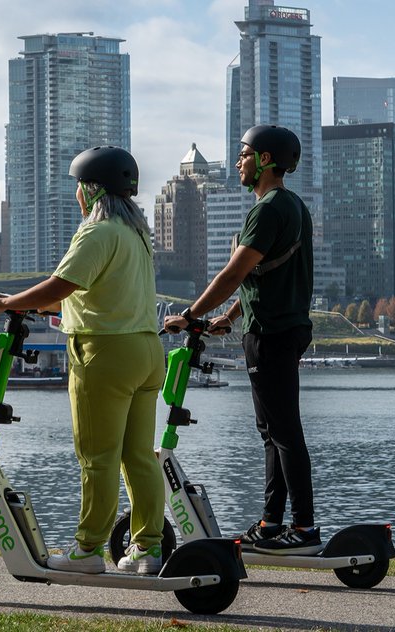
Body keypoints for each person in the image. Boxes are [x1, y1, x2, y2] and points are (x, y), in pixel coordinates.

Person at [0, 146, 167, 574]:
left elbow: (58, 285)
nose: (76, 196)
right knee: (138, 456)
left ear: (91, 189)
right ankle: (148, 549)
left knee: (97, 457)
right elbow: (93, 297)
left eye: (77, 187)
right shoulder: (136, 235)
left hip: (105, 354)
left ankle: (87, 551)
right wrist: (39, 308)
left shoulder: (96, 231)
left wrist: (7, 302)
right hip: (146, 351)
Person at [162, 125, 322, 555]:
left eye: (245, 154)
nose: (238, 162)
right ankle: (272, 522)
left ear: (266, 160)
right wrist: (228, 318)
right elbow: (262, 274)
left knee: (284, 432)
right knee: (272, 431)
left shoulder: (268, 209)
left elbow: (234, 272)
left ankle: (303, 528)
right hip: (275, 325)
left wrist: (191, 314)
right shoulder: (292, 207)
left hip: (270, 331)